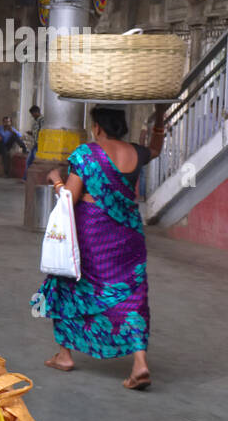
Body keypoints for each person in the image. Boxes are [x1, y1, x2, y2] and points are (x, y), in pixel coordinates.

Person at [39, 105, 167, 390]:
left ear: (97, 126)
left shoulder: (87, 154)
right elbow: (155, 149)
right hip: (128, 235)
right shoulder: (135, 152)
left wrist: (56, 179)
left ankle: (64, 355)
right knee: (133, 294)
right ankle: (140, 363)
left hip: (93, 235)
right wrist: (159, 116)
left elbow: (69, 199)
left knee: (69, 286)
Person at [24, 104, 44, 176]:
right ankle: (25, 178)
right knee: (29, 161)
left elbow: (43, 132)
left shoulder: (42, 120)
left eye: (32, 114)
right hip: (36, 143)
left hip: (40, 144)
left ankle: (27, 178)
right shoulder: (35, 121)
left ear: (36, 112)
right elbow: (36, 132)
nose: (32, 116)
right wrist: (31, 133)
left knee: (33, 161)